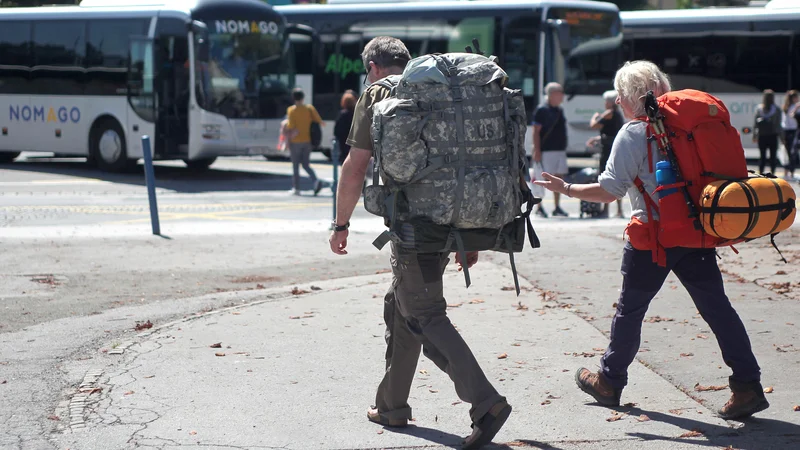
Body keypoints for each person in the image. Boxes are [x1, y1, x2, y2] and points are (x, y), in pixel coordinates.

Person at [534, 60, 769, 421]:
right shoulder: (690, 125)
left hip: (653, 239)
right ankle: (747, 387)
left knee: (630, 311)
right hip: (697, 231)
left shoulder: (633, 133)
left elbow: (608, 191)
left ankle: (609, 381)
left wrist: (565, 188)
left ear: (628, 97)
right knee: (718, 310)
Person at [328, 36, 511, 450]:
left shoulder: (377, 93)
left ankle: (486, 402)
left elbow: (355, 167)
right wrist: (469, 227)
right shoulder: (443, 91)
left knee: (423, 312)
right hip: (454, 218)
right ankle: (392, 404)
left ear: (372, 66)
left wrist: (340, 224)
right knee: (402, 305)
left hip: (415, 226)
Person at [531, 82, 568, 217]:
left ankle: (557, 206)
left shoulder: (559, 110)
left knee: (559, 177)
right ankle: (539, 206)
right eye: (560, 93)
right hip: (546, 150)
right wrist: (537, 149)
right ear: (552, 94)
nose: (563, 96)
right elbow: (536, 131)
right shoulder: (542, 110)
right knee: (543, 177)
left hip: (559, 149)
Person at [589, 90, 624, 218]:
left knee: (606, 177)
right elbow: (611, 134)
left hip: (608, 150)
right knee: (616, 176)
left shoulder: (609, 113)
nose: (605, 103)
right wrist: (597, 139)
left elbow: (593, 125)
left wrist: (595, 115)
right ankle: (619, 210)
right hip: (613, 147)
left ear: (611, 102)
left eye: (606, 101)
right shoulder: (617, 114)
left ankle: (606, 209)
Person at [285, 87, 324, 195]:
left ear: (293, 98)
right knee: (306, 164)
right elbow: (319, 121)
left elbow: (291, 126)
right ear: (303, 97)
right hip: (307, 141)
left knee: (295, 165)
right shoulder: (309, 108)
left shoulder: (291, 110)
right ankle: (315, 180)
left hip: (295, 141)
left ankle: (296, 188)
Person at [753, 89, 782, 175]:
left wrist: (754, 135)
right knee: (773, 156)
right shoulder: (776, 109)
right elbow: (778, 125)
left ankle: (761, 172)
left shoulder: (759, 109)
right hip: (773, 135)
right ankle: (772, 172)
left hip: (762, 135)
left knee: (762, 156)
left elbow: (755, 124)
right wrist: (781, 136)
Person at [333, 89, 357, 165]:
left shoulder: (342, 114)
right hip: (355, 143)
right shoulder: (357, 114)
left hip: (344, 143)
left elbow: (336, 130)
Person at [781, 89, 799, 181]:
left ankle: (791, 171)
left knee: (792, 152)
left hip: (792, 130)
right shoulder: (787, 107)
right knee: (788, 152)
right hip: (788, 130)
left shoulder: (794, 106)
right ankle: (788, 171)